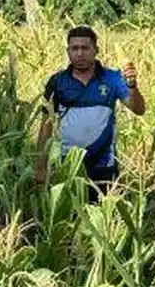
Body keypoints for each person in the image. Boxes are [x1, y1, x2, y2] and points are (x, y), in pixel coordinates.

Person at [34, 25, 144, 202]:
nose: (79, 54)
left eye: (85, 48)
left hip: (103, 166)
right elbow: (45, 127)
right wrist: (40, 166)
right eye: (74, 48)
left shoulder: (113, 78)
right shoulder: (57, 82)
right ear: (67, 51)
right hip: (67, 166)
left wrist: (132, 86)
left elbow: (138, 109)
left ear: (96, 50)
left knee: (101, 219)